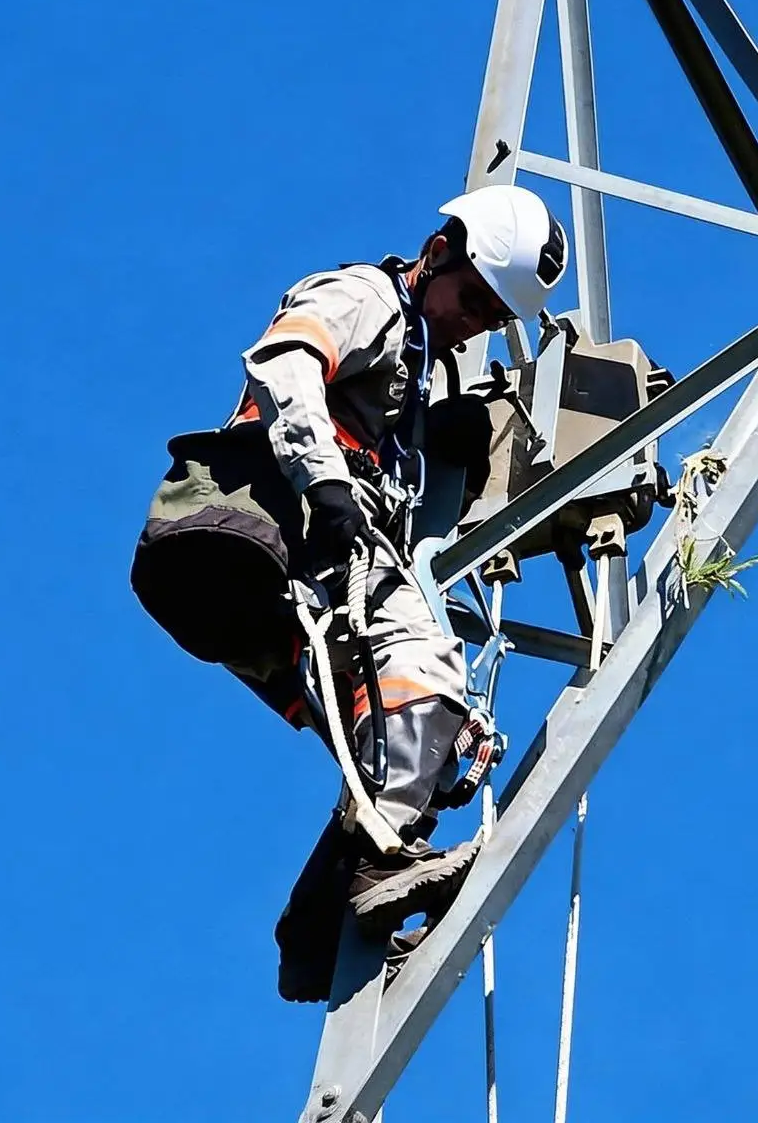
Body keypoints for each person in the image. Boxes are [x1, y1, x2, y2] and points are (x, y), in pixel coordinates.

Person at [131, 184, 567, 1001]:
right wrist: (327, 483)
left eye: (493, 317)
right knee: (425, 680)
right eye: (472, 297)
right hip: (282, 530)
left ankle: (320, 922)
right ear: (439, 252)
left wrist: (439, 444)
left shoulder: (418, 364)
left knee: (427, 745)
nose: (476, 321)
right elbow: (286, 363)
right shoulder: (367, 296)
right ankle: (364, 877)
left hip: (285, 581)